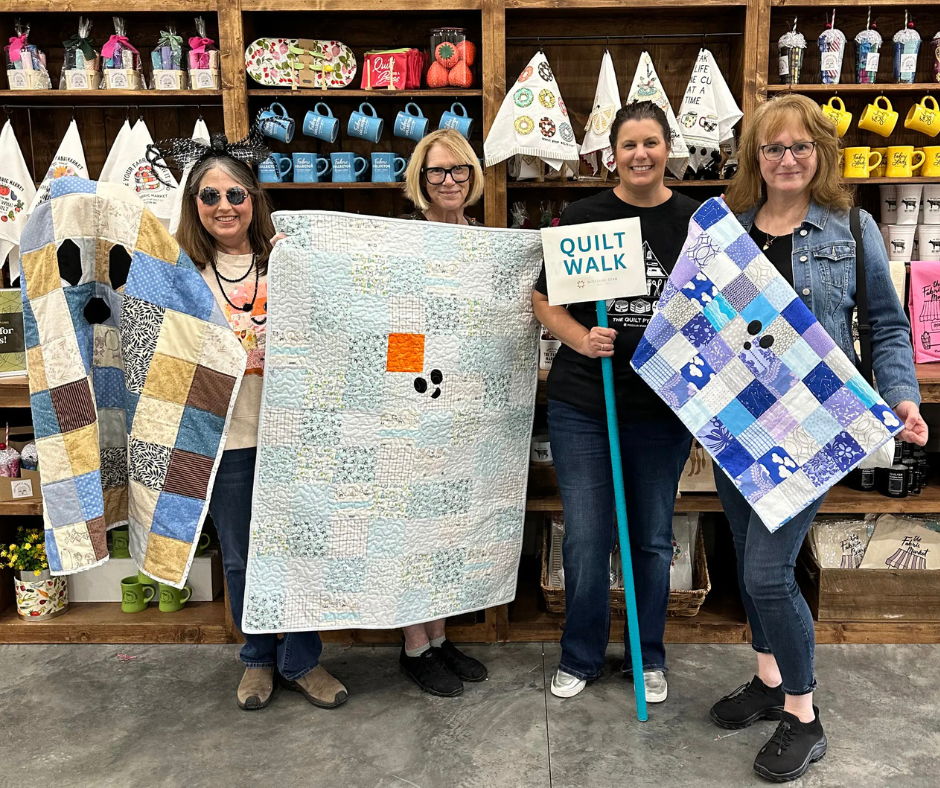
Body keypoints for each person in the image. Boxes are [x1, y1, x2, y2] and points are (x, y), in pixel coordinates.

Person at [712, 93, 927, 782]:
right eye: (772, 147)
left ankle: (803, 716)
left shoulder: (851, 228)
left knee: (768, 573)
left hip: (810, 428)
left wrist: (901, 396)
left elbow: (888, 327)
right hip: (738, 421)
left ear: (821, 153)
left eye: (800, 146)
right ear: (755, 157)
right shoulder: (731, 231)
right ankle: (770, 678)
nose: (786, 159)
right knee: (748, 559)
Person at [164, 132, 348, 711]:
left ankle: (303, 659)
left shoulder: (287, 261)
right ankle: (257, 658)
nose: (224, 207)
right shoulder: (180, 274)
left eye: (236, 195)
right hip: (227, 436)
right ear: (194, 204)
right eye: (210, 196)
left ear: (254, 200)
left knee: (300, 549)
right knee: (243, 556)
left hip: (296, 436)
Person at [532, 101, 698, 702]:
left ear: (667, 149)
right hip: (584, 406)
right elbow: (543, 299)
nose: (641, 155)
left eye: (651, 143)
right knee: (584, 535)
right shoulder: (583, 215)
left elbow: (717, 307)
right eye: (629, 145)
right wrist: (580, 336)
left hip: (661, 407)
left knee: (652, 537)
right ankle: (580, 655)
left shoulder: (693, 221)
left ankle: (646, 656)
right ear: (613, 154)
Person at [393, 128, 488, 695]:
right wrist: (412, 386)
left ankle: (441, 634)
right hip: (418, 396)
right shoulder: (406, 241)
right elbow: (397, 318)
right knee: (412, 524)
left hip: (470, 403)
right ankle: (414, 644)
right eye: (436, 172)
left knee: (449, 522)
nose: (448, 180)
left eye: (457, 171)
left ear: (472, 177)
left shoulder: (486, 242)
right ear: (421, 181)